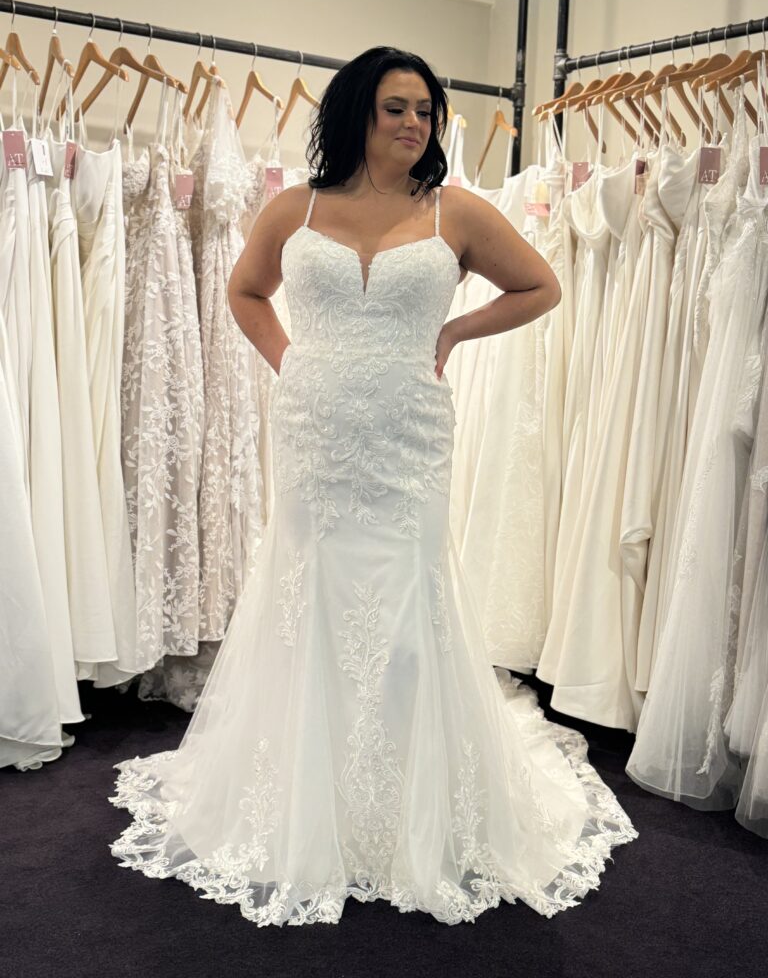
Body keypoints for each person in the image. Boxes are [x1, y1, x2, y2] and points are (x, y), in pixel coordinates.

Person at [110, 46, 637, 927]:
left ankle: (407, 802)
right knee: (311, 595)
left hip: (408, 432)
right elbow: (245, 292)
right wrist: (290, 363)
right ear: (358, 111)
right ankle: (309, 798)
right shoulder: (295, 207)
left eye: (425, 111)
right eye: (397, 108)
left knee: (404, 613)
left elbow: (539, 286)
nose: (414, 125)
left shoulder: (454, 213)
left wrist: (458, 332)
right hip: (318, 430)